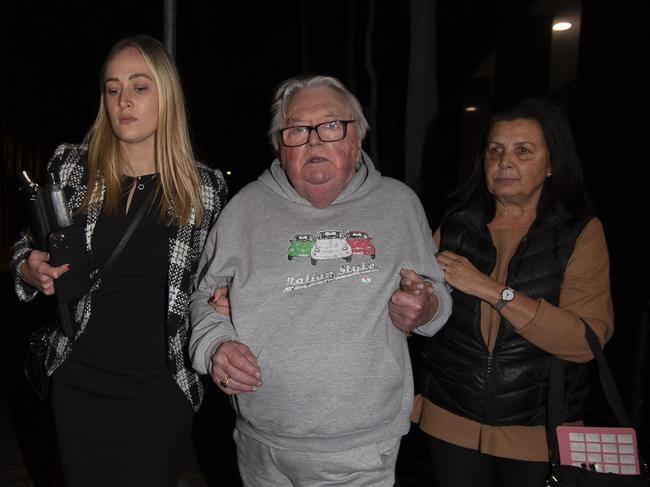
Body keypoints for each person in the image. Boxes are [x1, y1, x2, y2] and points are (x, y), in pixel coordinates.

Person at [189, 74, 452, 486]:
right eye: (296, 130)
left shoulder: (399, 205)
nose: (313, 142)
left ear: (356, 138)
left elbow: (437, 299)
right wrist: (215, 346)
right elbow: (202, 298)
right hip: (262, 451)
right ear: (280, 143)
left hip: (361, 452)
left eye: (330, 126)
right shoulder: (244, 210)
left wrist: (427, 306)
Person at [9, 35, 227, 487]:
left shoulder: (203, 189)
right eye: (113, 89)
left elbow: (213, 283)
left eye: (140, 87)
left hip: (159, 388)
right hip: (79, 378)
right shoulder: (73, 168)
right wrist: (29, 266)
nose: (124, 101)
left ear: (166, 96)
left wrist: (226, 299)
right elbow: (23, 247)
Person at [412, 98, 614, 486]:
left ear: (552, 163)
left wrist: (492, 290)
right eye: (495, 150)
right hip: (449, 422)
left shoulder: (580, 234)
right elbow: (419, 308)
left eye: (523, 151)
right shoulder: (455, 226)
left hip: (537, 434)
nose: (505, 162)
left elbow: (586, 340)